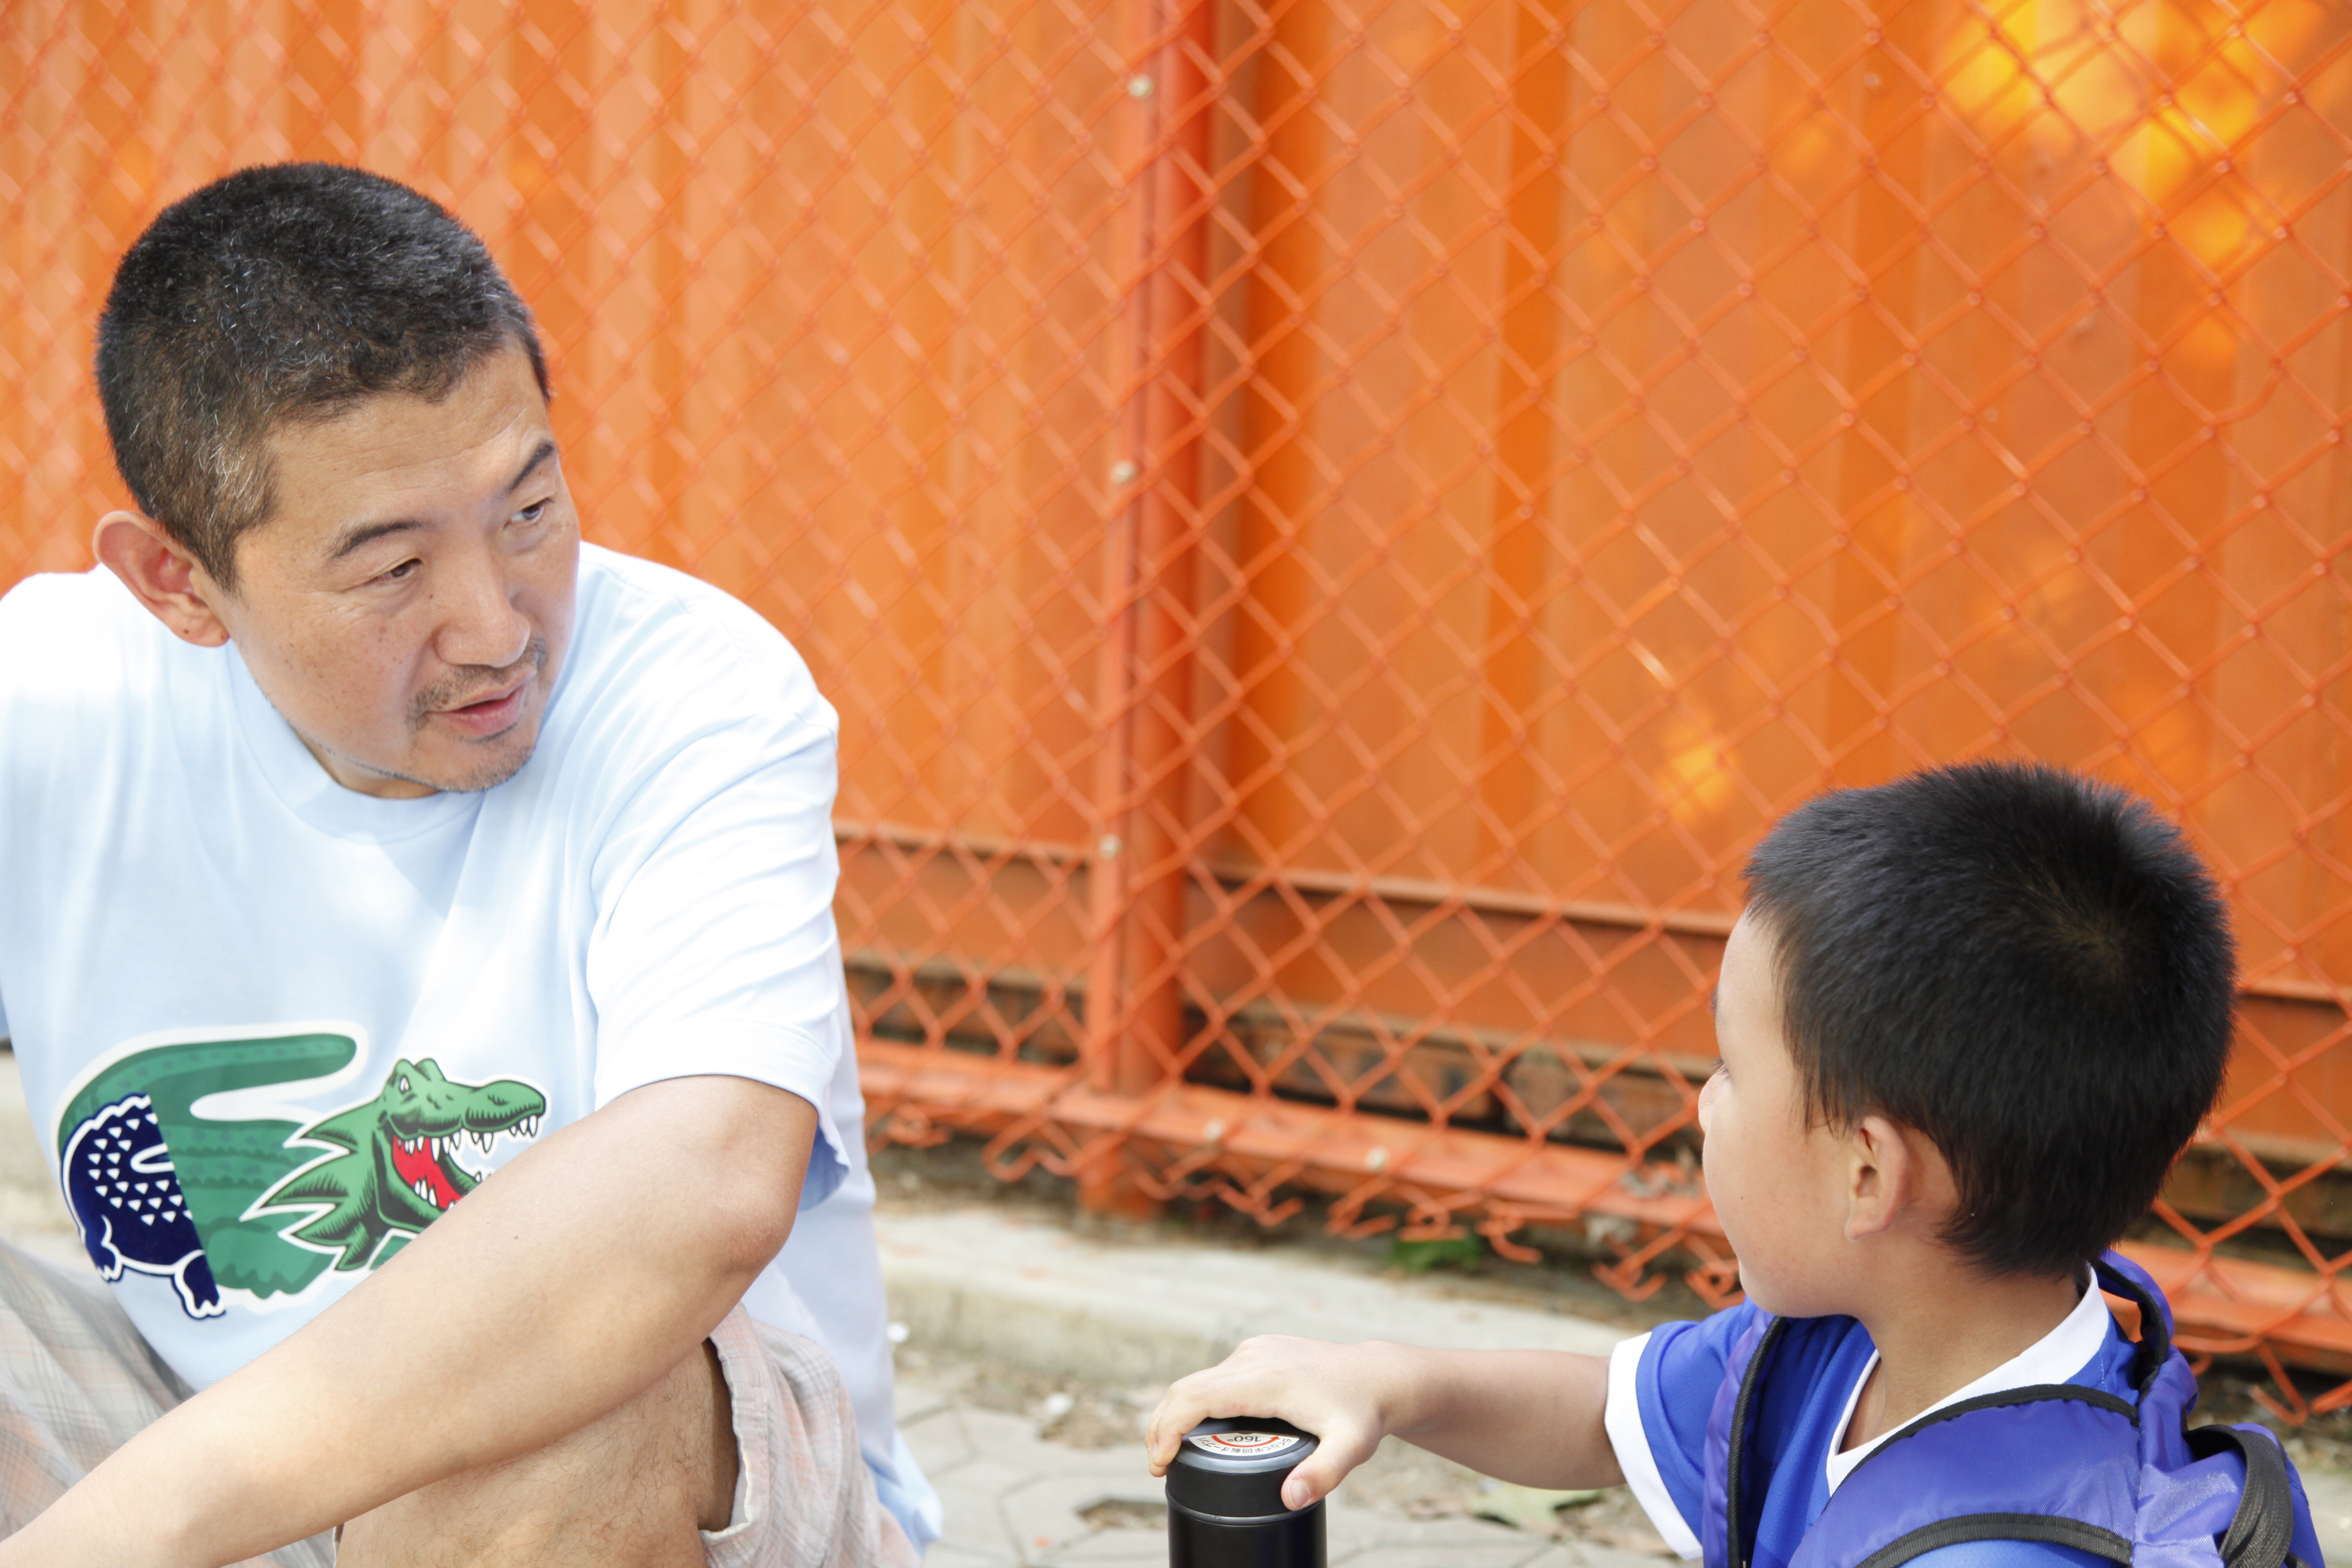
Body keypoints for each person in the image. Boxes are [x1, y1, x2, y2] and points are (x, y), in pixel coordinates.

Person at [0, 163, 937, 1566]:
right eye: (391, 569)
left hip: (672, 1501)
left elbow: (702, 1193)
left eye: (529, 511)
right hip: (230, 1475)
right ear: (181, 585)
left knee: (567, 1381)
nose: (496, 626)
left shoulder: (696, 694)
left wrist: (127, 1533)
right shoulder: (56, 700)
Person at [1145, 762, 2324, 1568]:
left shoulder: (2005, 1544)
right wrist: (1391, 1383)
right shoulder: (1870, 1336)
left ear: (1870, 1175)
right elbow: (1611, 1421)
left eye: (1730, 1072)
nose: (1704, 1110)